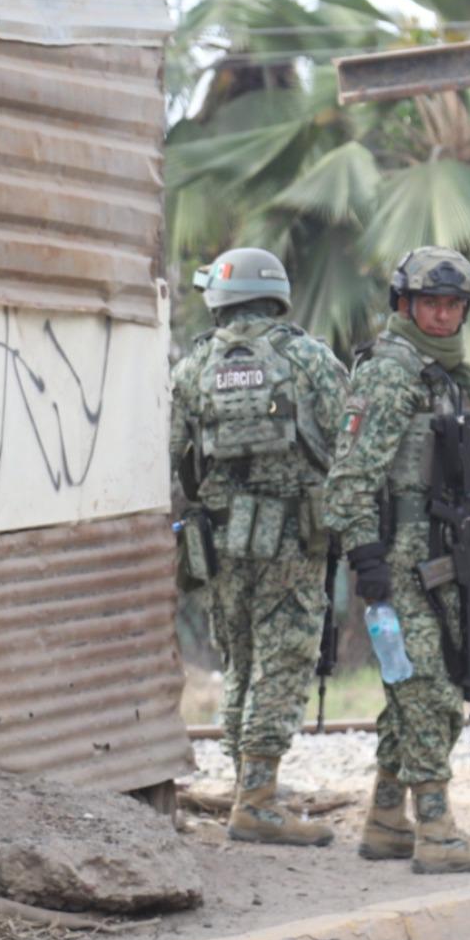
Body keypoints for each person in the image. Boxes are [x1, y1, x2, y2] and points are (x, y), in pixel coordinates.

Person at [324, 246, 470, 874]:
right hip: (403, 559)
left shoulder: (451, 376)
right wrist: (366, 560)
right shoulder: (390, 370)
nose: (441, 315)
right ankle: (436, 830)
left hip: (448, 552)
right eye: (429, 303)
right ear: (404, 305)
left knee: (426, 683)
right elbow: (350, 476)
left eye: (452, 305)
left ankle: (384, 819)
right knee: (427, 689)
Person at [171, 247, 348, 846]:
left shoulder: (194, 367)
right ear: (277, 295)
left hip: (219, 538)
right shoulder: (308, 358)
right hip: (294, 536)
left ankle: (247, 784)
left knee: (240, 658)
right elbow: (349, 441)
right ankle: (259, 797)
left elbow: (177, 454)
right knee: (284, 657)